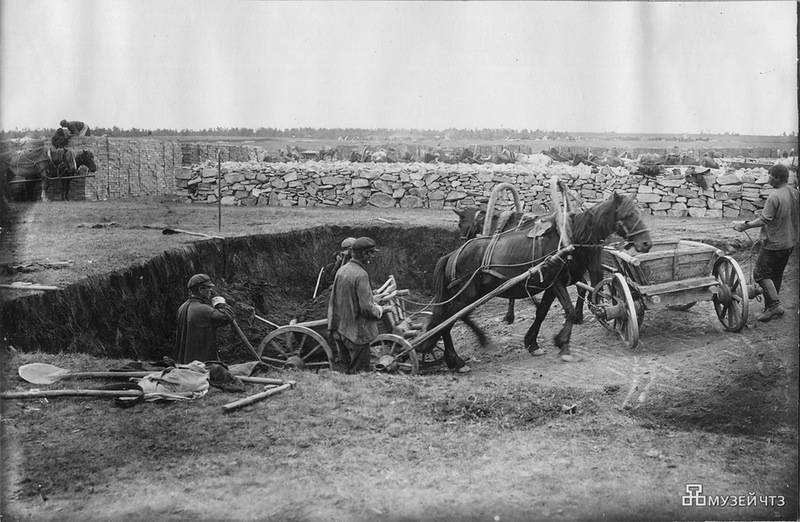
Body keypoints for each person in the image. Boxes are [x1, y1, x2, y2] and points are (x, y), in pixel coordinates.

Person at [733, 163, 799, 321]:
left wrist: (744, 226)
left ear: (776, 178)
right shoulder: (795, 193)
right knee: (776, 274)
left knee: (760, 274)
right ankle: (771, 308)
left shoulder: (774, 196)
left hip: (774, 243)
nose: (768, 178)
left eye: (770, 176)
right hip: (789, 242)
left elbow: (765, 219)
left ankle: (774, 305)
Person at [327, 237, 393, 373]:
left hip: (341, 330)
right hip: (357, 335)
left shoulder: (342, 270)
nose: (373, 257)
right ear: (365, 254)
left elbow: (341, 299)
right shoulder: (361, 275)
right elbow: (367, 309)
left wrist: (372, 297)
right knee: (360, 374)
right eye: (371, 253)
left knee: (345, 371)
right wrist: (380, 309)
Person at [175, 273, 233, 363]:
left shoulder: (182, 308)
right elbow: (227, 316)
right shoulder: (203, 309)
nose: (211, 290)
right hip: (201, 364)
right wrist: (220, 304)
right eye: (208, 288)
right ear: (201, 289)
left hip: (185, 362)